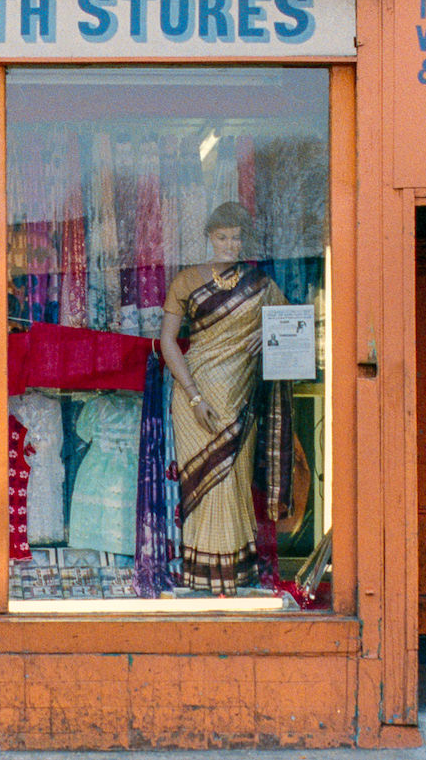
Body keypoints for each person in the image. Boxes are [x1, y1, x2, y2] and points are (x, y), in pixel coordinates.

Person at [159, 201, 293, 594]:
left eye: (236, 238)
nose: (230, 245)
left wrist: (267, 333)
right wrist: (194, 396)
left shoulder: (261, 284)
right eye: (222, 237)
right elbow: (168, 341)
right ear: (208, 237)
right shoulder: (187, 280)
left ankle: (233, 574)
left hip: (239, 396)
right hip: (195, 395)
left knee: (233, 479)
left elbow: (294, 323)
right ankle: (200, 573)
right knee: (202, 484)